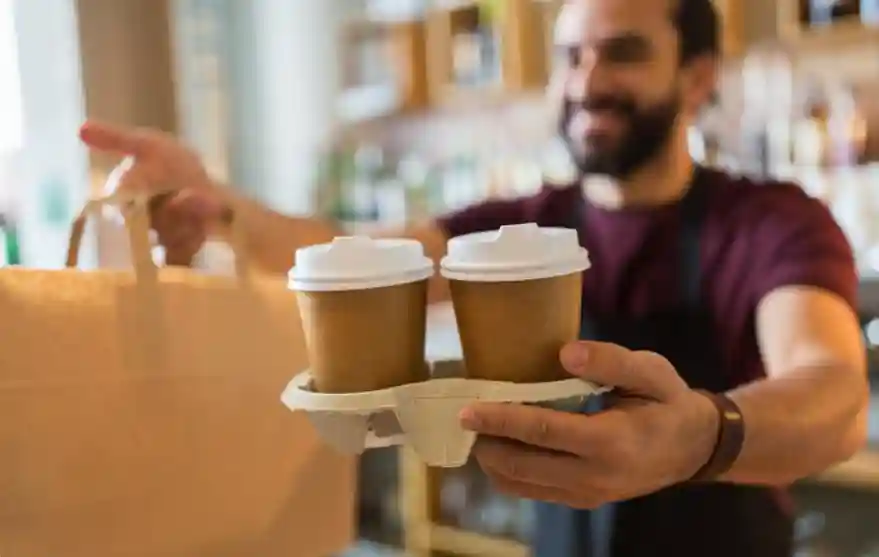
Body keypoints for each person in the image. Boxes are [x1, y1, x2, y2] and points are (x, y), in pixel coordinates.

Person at [79, 0, 870, 555]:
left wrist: (695, 437)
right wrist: (217, 205)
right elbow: (351, 258)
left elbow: (831, 392)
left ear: (696, 77)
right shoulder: (516, 229)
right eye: (570, 56)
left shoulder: (770, 221)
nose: (586, 81)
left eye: (622, 52)